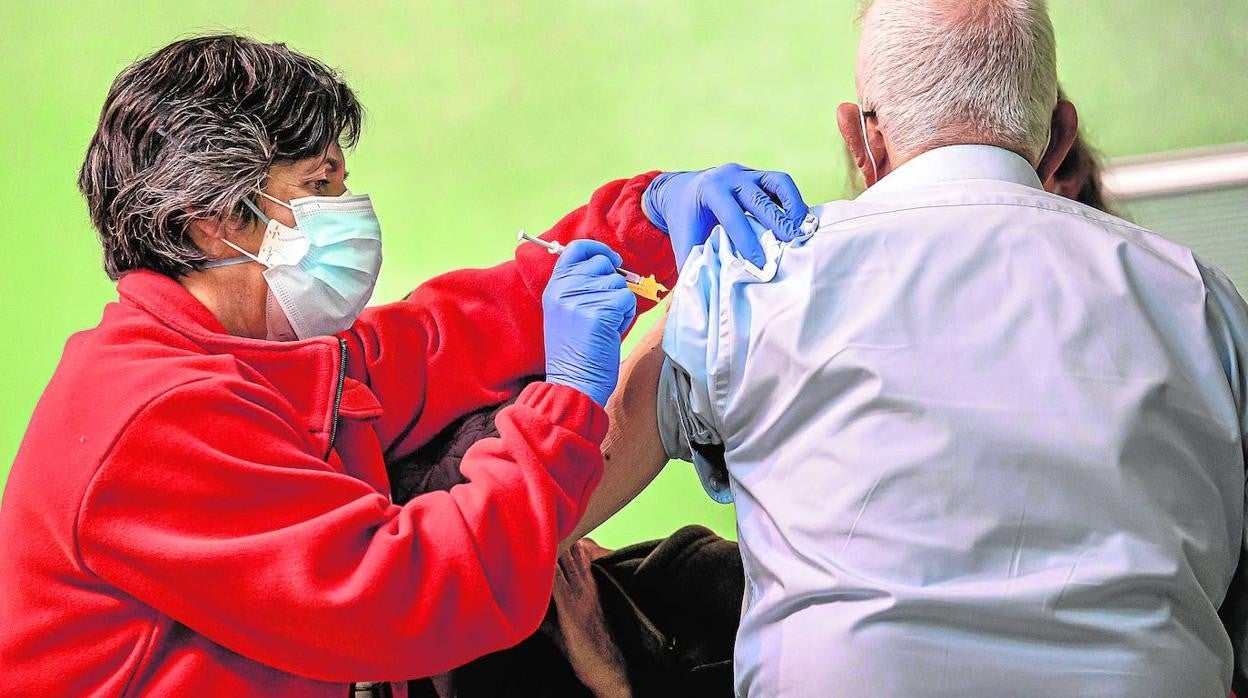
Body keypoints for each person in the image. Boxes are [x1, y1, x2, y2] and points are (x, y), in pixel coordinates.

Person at [0, 34, 814, 696]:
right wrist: (569, 396)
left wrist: (648, 215)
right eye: (319, 187)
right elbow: (413, 599)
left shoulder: (265, 356)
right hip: (379, 636)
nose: (349, 210)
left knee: (692, 585)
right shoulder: (154, 419)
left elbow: (449, 337)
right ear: (216, 224)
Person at [657, 0, 1248, 695]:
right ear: (1061, 137)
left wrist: (643, 210)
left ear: (859, 138)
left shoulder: (751, 281)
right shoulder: (1207, 306)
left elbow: (559, 473)